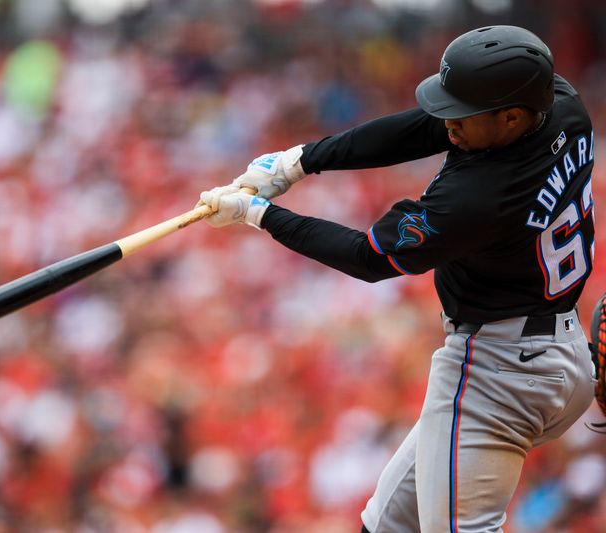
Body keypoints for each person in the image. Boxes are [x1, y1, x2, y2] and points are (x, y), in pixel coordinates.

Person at [198, 25, 596, 532]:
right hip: (561, 357)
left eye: (463, 113)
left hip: (498, 374)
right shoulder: (561, 105)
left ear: (511, 115)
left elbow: (367, 258)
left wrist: (260, 214)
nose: (448, 120)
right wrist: (303, 160)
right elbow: (424, 127)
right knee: (385, 525)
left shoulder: (478, 197)